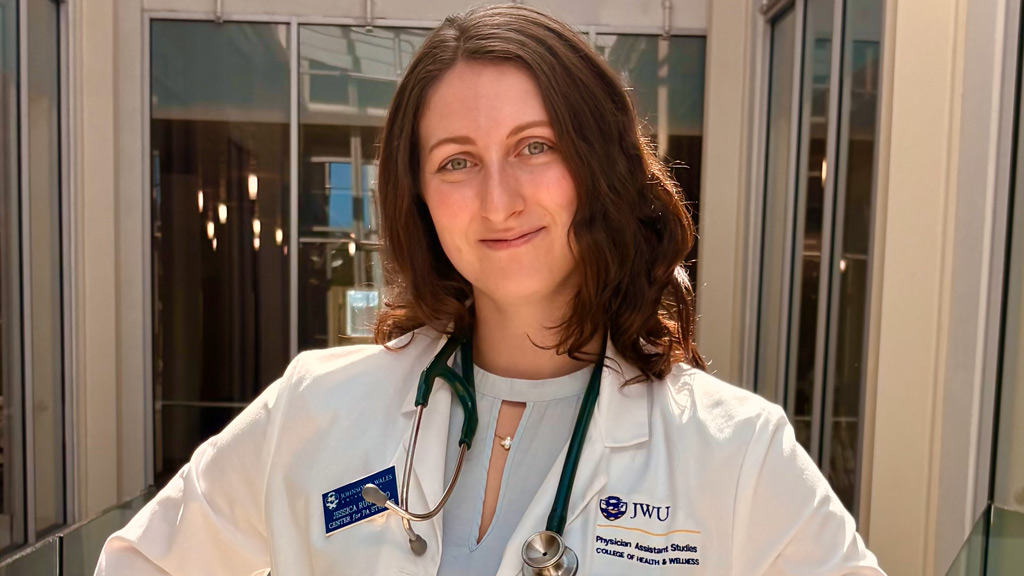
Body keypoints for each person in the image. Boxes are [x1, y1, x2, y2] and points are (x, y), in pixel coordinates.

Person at [96, 4, 885, 575]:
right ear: (420, 198)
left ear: (599, 167)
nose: (498, 200)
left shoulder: (736, 452)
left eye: (535, 146)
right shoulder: (317, 407)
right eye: (457, 161)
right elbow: (143, 563)